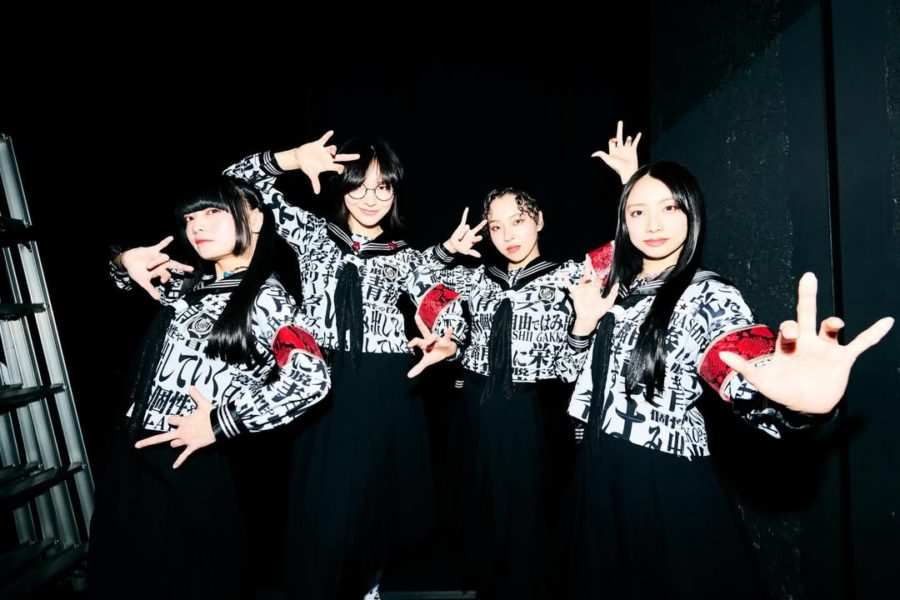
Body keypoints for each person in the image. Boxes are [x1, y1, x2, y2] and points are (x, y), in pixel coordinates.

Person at [560, 160, 894, 599]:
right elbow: (571, 374)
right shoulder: (613, 286)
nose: (653, 224)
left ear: (693, 213)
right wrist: (583, 327)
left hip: (660, 483)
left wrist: (793, 402)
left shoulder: (706, 294)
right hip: (597, 470)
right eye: (638, 212)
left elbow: (735, 354)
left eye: (669, 208)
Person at [224, 133, 472, 600]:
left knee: (379, 505)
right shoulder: (312, 233)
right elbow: (234, 185)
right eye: (359, 185)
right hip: (322, 384)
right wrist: (292, 159)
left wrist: (449, 338)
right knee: (323, 511)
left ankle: (369, 586)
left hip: (387, 387)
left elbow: (441, 298)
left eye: (383, 187)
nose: (371, 198)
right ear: (342, 185)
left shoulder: (405, 257)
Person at [405, 123, 640, 599]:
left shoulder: (570, 276)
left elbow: (631, 247)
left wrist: (631, 182)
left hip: (536, 413)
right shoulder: (473, 279)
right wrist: (448, 257)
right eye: (496, 226)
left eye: (518, 221)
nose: (507, 234)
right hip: (474, 410)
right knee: (479, 519)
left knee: (535, 527)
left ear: (540, 221)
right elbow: (411, 279)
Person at [88, 177, 330, 600]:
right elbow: (121, 281)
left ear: (255, 220)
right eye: (190, 218)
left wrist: (221, 423)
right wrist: (124, 260)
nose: (197, 226)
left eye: (214, 212)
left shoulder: (268, 299)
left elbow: (311, 378)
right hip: (133, 454)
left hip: (188, 461)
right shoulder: (188, 285)